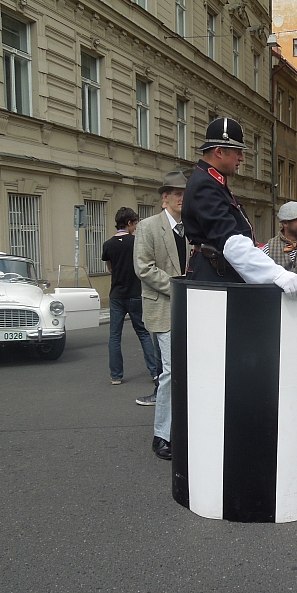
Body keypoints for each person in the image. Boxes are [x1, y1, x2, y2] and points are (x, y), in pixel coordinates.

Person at [182, 117, 297, 297]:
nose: (242, 158)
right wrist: (276, 274)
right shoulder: (205, 185)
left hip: (218, 274)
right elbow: (230, 240)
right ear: (219, 151)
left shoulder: (213, 182)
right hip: (213, 277)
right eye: (237, 152)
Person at [134, 170, 190, 460]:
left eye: (185, 194)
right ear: (165, 197)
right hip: (164, 307)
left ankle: (185, 429)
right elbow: (143, 268)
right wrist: (179, 288)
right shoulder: (148, 226)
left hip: (193, 309)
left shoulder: (191, 227)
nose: (182, 199)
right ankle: (162, 435)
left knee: (190, 371)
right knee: (171, 371)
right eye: (177, 194)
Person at [102, 208, 159, 386]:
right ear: (129, 223)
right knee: (143, 333)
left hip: (116, 295)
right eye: (135, 224)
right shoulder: (136, 243)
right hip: (135, 293)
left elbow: (110, 269)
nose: (135, 228)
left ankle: (116, 375)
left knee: (114, 336)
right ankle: (154, 371)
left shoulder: (108, 244)